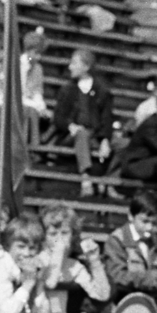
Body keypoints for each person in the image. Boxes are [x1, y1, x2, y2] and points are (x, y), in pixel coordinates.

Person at [51, 45, 115, 198]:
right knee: (82, 134)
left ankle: (108, 181)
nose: (70, 67)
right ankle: (86, 179)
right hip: (71, 136)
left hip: (95, 135)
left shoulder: (102, 91)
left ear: (86, 67)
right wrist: (70, 125)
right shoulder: (67, 90)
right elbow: (58, 117)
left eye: (74, 63)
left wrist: (105, 139)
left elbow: (107, 119)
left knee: (123, 144)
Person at [104, 188, 157, 297]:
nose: (149, 227)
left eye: (154, 223)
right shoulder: (117, 240)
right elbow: (117, 276)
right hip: (123, 302)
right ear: (131, 216)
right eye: (144, 221)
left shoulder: (155, 240)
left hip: (149, 302)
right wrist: (156, 276)